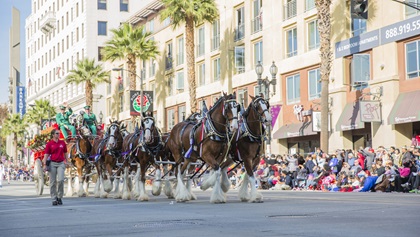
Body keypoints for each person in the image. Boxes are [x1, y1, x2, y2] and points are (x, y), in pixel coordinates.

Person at [43, 129, 68, 206]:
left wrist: (67, 161)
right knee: (53, 182)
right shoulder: (49, 144)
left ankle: (59, 197)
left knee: (61, 180)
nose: (59, 135)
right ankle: (54, 198)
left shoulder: (62, 143)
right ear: (53, 135)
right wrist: (44, 164)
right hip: (52, 163)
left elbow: (65, 152)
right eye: (57, 133)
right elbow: (46, 155)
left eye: (59, 133)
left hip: (61, 163)